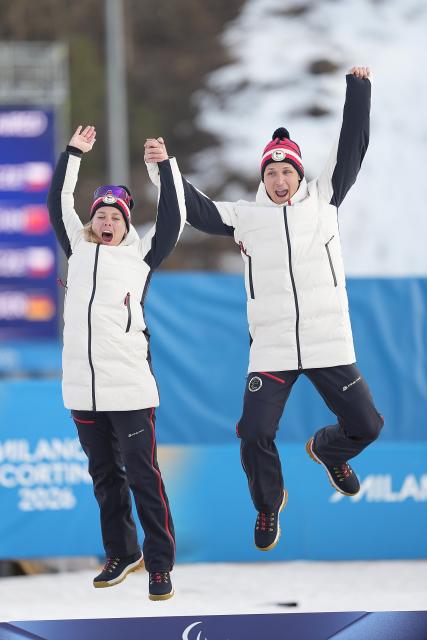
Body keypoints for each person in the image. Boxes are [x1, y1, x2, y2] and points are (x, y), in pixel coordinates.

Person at [144, 67, 384, 553]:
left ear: (299, 174)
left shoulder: (324, 199)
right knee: (254, 432)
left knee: (368, 425)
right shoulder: (245, 219)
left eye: (287, 171)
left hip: (327, 341)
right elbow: (192, 206)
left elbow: (352, 145)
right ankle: (267, 506)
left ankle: (328, 450)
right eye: (271, 172)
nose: (279, 179)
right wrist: (163, 165)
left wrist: (358, 90)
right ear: (264, 178)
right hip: (272, 348)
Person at [48, 126, 186, 600]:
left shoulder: (140, 256)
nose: (107, 221)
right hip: (83, 390)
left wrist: (162, 167)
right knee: (106, 478)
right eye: (101, 215)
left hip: (128, 388)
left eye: (116, 216)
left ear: (127, 225)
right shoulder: (79, 249)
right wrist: (73, 154)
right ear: (92, 222)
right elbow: (56, 203)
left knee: (143, 476)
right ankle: (121, 553)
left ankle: (160, 563)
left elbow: (173, 216)